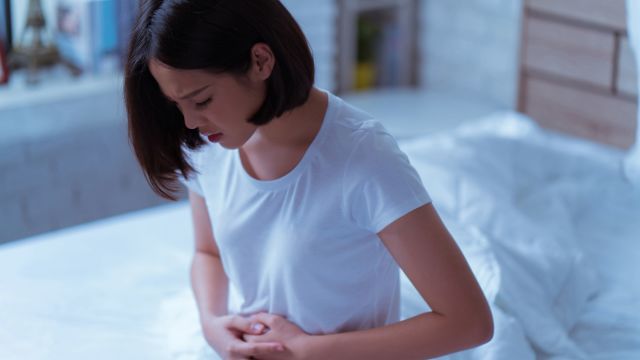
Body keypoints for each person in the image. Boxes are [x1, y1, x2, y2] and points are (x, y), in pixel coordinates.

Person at [124, 0, 493, 359]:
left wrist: (310, 352)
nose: (189, 122)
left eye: (201, 100)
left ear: (260, 61)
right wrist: (212, 324)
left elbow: (469, 323)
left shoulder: (363, 158)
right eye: (177, 105)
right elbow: (208, 252)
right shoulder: (211, 142)